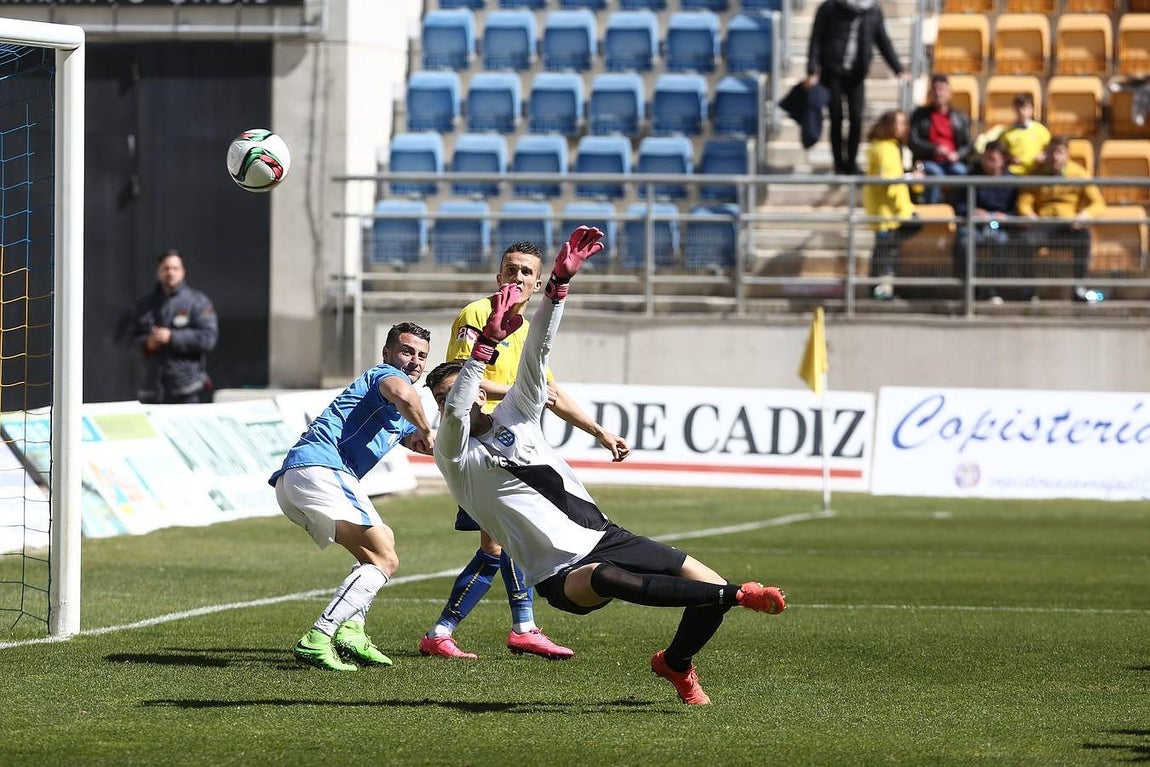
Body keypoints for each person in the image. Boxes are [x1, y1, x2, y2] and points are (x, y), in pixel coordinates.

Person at [426, 226, 787, 706]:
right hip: (560, 572)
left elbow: (538, 351)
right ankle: (739, 595)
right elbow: (457, 405)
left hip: (607, 534)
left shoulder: (517, 414)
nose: (456, 401)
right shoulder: (453, 453)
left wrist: (558, 286)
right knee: (607, 579)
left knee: (708, 586)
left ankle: (676, 664)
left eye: (457, 391)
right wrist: (484, 347)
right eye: (444, 398)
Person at [418, 241, 631, 661]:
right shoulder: (479, 314)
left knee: (508, 542)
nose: (516, 278)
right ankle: (500, 628)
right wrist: (524, 393)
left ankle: (484, 629)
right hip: (477, 449)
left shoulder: (527, 327)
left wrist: (598, 431)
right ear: (499, 276)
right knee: (502, 544)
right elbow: (460, 380)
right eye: (510, 270)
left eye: (525, 273)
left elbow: (550, 390)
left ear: (536, 283)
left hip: (513, 449)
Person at [269, 322, 436, 671]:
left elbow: (412, 434)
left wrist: (431, 441)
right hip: (320, 468)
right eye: (407, 351)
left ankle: (352, 630)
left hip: (301, 478)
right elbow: (404, 396)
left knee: (380, 544)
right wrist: (426, 429)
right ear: (388, 353)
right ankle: (320, 635)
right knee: (385, 560)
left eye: (422, 356)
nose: (414, 361)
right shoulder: (385, 375)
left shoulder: (397, 410)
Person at [806, 0, 910, 176]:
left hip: (857, 73)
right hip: (832, 72)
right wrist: (811, 70)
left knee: (856, 117)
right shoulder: (829, 8)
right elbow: (816, 39)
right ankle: (839, 165)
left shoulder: (873, 11)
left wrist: (898, 69)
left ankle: (851, 163)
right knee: (836, 117)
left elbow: (882, 40)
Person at [1016, 136, 1107, 303]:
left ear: (1067, 155)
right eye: (1051, 152)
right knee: (1025, 240)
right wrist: (1029, 215)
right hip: (1043, 224)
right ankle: (1029, 289)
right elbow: (1024, 202)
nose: (1055, 157)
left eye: (1059, 152)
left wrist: (1083, 216)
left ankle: (1078, 288)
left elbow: (1098, 203)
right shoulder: (1035, 174)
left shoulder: (1079, 174)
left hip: (1069, 225)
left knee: (1084, 237)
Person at [129, 249, 218, 404]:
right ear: (159, 272)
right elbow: (131, 341)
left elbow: (208, 338)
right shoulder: (145, 305)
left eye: (175, 268)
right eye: (166, 268)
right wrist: (147, 343)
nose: (170, 273)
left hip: (187, 390)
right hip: (151, 391)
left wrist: (172, 337)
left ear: (183, 272)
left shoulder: (197, 302)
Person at [864, 110, 923, 300]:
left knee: (890, 244)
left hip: (897, 208)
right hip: (885, 209)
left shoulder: (893, 147)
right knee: (883, 249)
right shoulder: (882, 148)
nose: (903, 127)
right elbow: (886, 178)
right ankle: (878, 289)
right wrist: (910, 177)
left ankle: (880, 287)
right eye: (899, 123)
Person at [952, 140, 1021, 303]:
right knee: (964, 241)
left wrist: (1006, 216)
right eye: (986, 158)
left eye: (993, 159)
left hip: (1000, 226)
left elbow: (1017, 209)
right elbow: (958, 204)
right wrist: (972, 211)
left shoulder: (1012, 181)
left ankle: (993, 290)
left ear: (1003, 160)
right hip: (974, 224)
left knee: (1002, 242)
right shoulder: (970, 177)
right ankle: (969, 290)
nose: (988, 163)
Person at [908, 74, 973, 205]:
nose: (939, 93)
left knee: (962, 172)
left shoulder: (960, 117)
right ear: (930, 93)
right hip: (928, 161)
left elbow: (969, 144)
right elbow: (912, 141)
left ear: (950, 93)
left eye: (942, 89)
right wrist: (934, 149)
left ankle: (957, 211)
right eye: (935, 89)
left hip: (953, 162)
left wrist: (957, 155)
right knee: (936, 174)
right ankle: (932, 212)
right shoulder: (919, 116)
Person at [998, 93, 1051, 176]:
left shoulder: (1041, 130)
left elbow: (1049, 148)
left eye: (1025, 108)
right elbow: (1002, 152)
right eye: (1018, 108)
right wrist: (1010, 159)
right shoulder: (1007, 132)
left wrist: (1043, 155)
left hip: (1037, 171)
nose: (1021, 111)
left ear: (1032, 109)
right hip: (1014, 173)